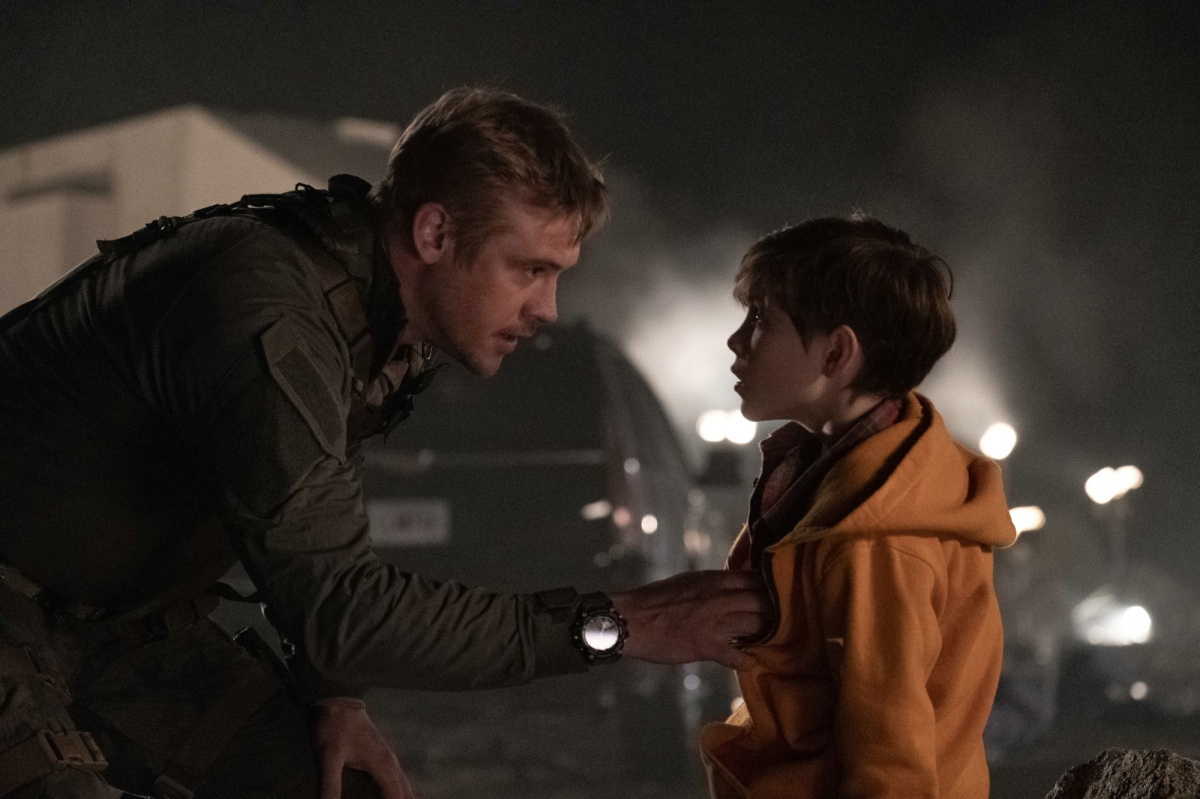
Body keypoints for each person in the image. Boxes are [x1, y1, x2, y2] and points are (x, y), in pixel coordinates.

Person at [0, 88, 772, 799]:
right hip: (15, 606)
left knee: (346, 786)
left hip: (119, 629)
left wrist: (335, 692)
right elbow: (346, 607)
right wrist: (625, 622)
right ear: (434, 232)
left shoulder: (381, 321)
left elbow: (318, 542)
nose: (547, 308)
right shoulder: (271, 306)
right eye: (530, 269)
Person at [699, 215, 1018, 799]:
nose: (736, 341)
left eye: (762, 319)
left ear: (836, 354)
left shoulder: (876, 537)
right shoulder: (865, 474)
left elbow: (891, 759)